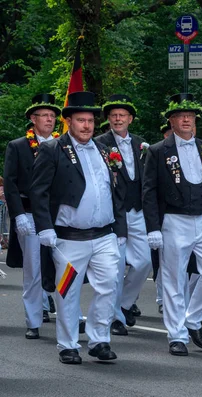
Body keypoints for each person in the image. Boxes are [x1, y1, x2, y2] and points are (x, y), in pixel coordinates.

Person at [30, 91, 126, 364]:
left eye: (91, 121)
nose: (87, 126)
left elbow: (116, 192)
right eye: (81, 120)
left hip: (104, 235)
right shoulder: (53, 149)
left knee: (109, 286)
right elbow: (39, 192)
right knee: (68, 291)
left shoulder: (105, 150)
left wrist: (120, 230)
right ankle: (68, 344)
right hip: (69, 237)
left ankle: (99, 340)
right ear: (69, 121)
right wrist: (45, 227)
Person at [143, 93, 202, 356]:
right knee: (174, 279)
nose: (187, 119)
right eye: (181, 116)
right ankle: (177, 335)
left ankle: (192, 319)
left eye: (190, 116)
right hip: (174, 220)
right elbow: (149, 191)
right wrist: (153, 227)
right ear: (172, 120)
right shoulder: (158, 151)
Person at [3, 93, 61, 339]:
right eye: (44, 115)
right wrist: (18, 215)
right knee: (33, 269)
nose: (49, 120)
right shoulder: (18, 146)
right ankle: (34, 320)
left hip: (58, 214)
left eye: (52, 116)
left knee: (63, 266)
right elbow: (11, 183)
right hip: (29, 212)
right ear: (32, 119)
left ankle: (67, 315)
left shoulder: (63, 145)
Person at [96, 94, 152, 336]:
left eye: (122, 115)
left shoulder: (142, 145)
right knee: (116, 266)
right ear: (108, 118)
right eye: (114, 115)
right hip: (113, 214)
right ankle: (115, 318)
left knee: (144, 262)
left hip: (138, 212)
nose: (118, 119)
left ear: (130, 118)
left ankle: (125, 304)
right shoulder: (99, 144)